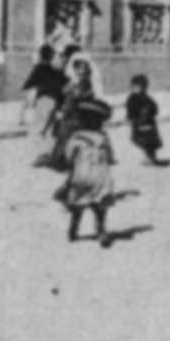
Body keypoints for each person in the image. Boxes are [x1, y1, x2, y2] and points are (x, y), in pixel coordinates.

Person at [54, 96, 117, 247]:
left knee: (77, 206)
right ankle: (101, 231)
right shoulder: (103, 137)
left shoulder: (75, 137)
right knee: (99, 207)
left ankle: (73, 230)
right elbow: (110, 157)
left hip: (80, 176)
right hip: (100, 177)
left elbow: (68, 157)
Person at [19, 45, 66, 162]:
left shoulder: (39, 68)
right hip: (55, 101)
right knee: (50, 128)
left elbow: (27, 85)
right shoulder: (57, 69)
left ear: (40, 55)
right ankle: (49, 153)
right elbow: (63, 85)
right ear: (51, 56)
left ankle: (41, 154)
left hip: (43, 101)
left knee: (40, 127)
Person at [126, 74, 164, 165]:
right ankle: (150, 157)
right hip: (138, 124)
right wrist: (131, 118)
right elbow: (130, 110)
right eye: (134, 87)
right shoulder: (131, 99)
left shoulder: (147, 98)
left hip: (149, 124)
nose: (136, 89)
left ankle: (151, 158)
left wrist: (149, 112)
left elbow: (155, 109)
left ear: (144, 87)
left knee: (149, 141)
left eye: (139, 87)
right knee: (143, 141)